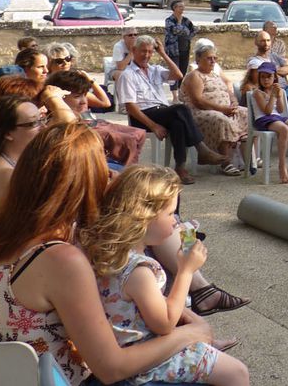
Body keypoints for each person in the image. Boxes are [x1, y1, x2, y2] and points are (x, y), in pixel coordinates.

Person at [0, 121, 213, 385]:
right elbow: (112, 368)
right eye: (102, 171)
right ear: (86, 184)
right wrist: (194, 333)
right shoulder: (61, 261)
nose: (110, 177)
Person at [78, 165, 249, 385]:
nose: (175, 222)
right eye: (170, 214)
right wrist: (186, 270)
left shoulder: (110, 255)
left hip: (126, 350)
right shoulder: (139, 270)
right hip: (146, 364)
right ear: (143, 218)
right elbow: (164, 323)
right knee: (237, 372)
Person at [116, 35, 226, 185]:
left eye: (149, 52)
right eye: (143, 51)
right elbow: (130, 107)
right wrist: (153, 126)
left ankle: (180, 168)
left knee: (178, 123)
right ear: (134, 50)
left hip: (163, 112)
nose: (146, 55)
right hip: (143, 116)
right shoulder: (127, 75)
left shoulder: (155, 70)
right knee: (180, 108)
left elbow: (178, 75)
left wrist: (162, 53)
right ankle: (201, 149)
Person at [46, 69, 148, 167]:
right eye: (77, 97)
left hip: (91, 123)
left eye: (85, 95)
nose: (84, 101)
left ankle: (128, 169)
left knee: (139, 133)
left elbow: (106, 102)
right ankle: (126, 174)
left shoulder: (76, 91)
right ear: (60, 97)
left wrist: (91, 81)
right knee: (128, 141)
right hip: (84, 137)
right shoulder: (58, 117)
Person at [180, 42, 247, 175]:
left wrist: (233, 102)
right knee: (221, 120)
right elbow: (198, 101)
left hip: (223, 109)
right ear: (198, 60)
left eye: (214, 58)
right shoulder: (195, 76)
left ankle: (248, 159)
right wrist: (222, 109)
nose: (213, 61)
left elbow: (228, 92)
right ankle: (225, 162)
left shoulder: (215, 75)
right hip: (200, 113)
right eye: (209, 58)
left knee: (246, 113)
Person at [0, 96, 44, 225]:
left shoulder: (11, 163)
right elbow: (32, 227)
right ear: (7, 133)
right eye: (33, 123)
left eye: (42, 119)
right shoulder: (5, 175)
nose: (43, 127)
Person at [46, 42, 113, 111]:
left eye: (68, 59)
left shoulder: (70, 81)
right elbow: (105, 103)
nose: (65, 63)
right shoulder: (47, 84)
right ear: (49, 64)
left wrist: (91, 80)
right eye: (59, 61)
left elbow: (105, 103)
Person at [165, 0, 196, 100]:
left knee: (182, 72)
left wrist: (188, 36)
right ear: (174, 8)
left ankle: (180, 94)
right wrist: (181, 25)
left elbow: (194, 30)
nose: (182, 8)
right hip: (173, 50)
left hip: (185, 49)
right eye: (180, 6)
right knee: (174, 72)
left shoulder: (186, 20)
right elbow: (175, 30)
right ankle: (174, 96)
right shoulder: (169, 20)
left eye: (183, 6)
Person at [249, 29, 288, 98]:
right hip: (274, 92)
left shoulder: (273, 55)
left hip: (287, 88)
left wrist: (271, 71)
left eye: (268, 40)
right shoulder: (254, 62)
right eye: (263, 41)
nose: (266, 43)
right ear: (256, 42)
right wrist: (279, 72)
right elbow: (259, 82)